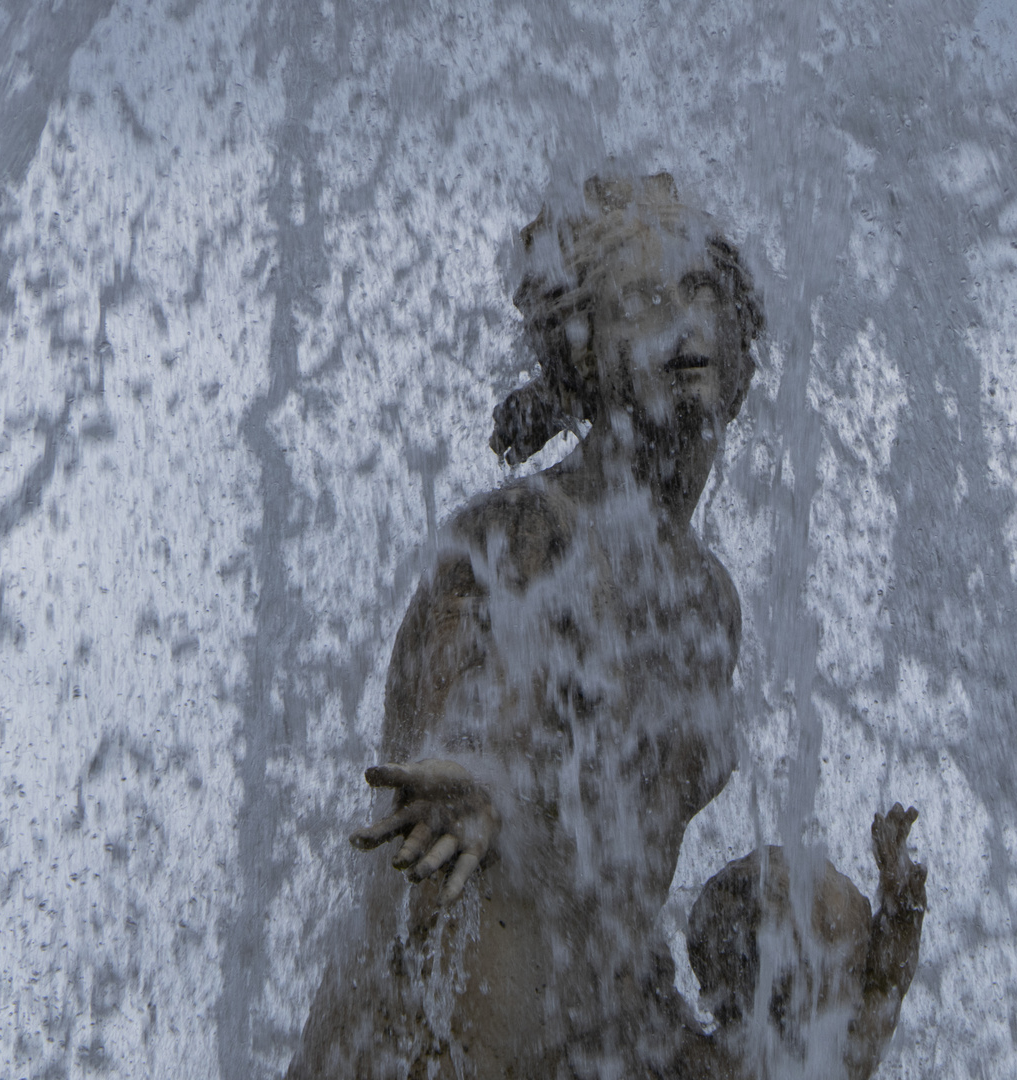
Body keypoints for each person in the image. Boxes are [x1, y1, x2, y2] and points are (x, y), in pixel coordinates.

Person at [286, 174, 925, 1080]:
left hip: (601, 1002)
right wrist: (477, 774)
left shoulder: (709, 598)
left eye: (701, 290)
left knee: (805, 909)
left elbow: (629, 863)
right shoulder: (522, 528)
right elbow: (463, 708)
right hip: (466, 987)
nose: (684, 323)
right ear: (584, 354)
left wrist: (869, 989)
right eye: (644, 299)